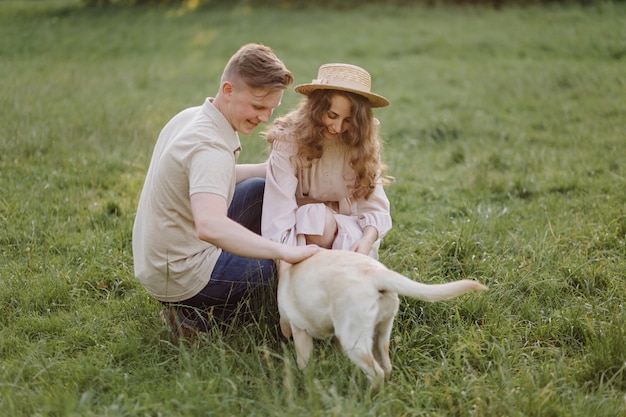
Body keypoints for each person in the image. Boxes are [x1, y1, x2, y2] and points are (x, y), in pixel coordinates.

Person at [132, 43, 321, 336]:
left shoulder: (193, 116)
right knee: (270, 273)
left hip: (159, 259)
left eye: (272, 109)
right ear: (228, 89)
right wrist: (282, 251)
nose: (264, 118)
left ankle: (191, 308)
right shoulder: (210, 146)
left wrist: (267, 169)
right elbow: (210, 225)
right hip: (179, 274)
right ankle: (195, 320)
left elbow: (206, 179)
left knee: (259, 189)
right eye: (258, 106)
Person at [262, 63, 392, 261]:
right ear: (316, 108)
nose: (338, 127)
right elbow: (278, 214)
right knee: (316, 219)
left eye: (348, 120)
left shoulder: (362, 142)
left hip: (349, 225)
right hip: (302, 227)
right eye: (332, 115)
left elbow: (375, 207)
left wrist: (366, 241)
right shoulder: (289, 139)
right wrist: (285, 262)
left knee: (351, 260)